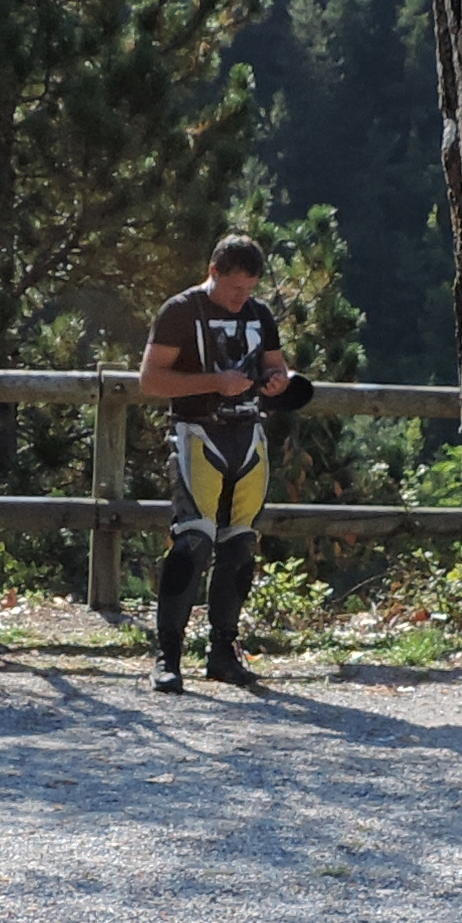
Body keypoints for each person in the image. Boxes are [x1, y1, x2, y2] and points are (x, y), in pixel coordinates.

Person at [134, 232, 303, 692]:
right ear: (213, 272)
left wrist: (274, 382)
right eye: (234, 288)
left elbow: (277, 367)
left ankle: (223, 652)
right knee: (191, 544)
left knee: (240, 546)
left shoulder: (259, 314)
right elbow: (151, 380)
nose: (241, 298)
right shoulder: (180, 311)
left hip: (248, 436)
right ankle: (167, 655)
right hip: (196, 433)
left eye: (248, 289)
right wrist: (214, 382)